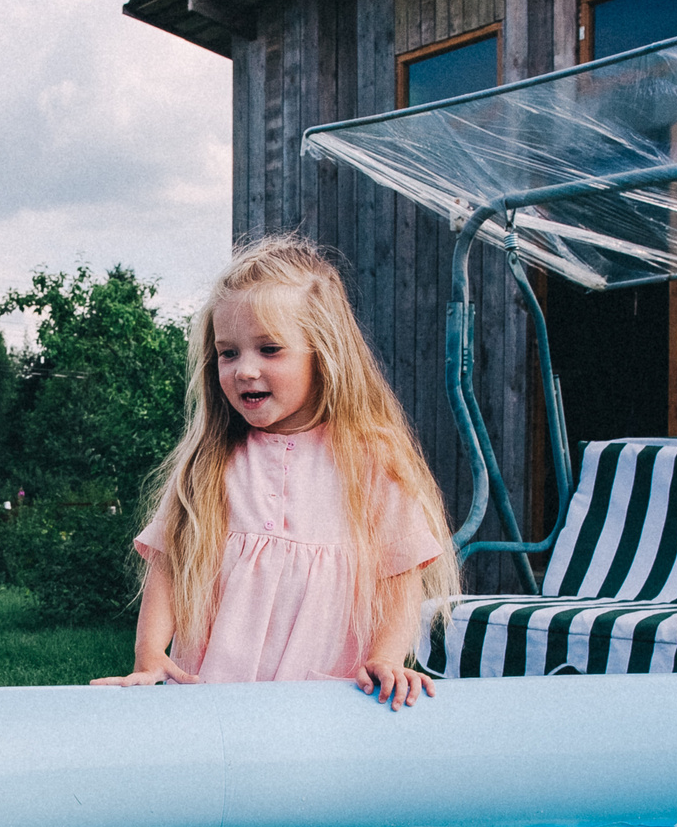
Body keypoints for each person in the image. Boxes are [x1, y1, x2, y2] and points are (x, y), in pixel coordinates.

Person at [93, 235, 457, 708]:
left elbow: (400, 573)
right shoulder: (211, 461)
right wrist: (149, 656)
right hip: (213, 697)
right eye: (228, 352)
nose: (244, 369)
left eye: (269, 349)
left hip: (323, 700)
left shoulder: (368, 459)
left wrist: (387, 656)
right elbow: (169, 562)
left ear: (323, 355)